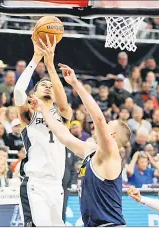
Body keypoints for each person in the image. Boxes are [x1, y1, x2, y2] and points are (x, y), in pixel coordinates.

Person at [29, 63, 131, 226]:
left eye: (109, 123)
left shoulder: (111, 153)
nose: (104, 124)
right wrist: (44, 110)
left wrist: (76, 84)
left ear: (112, 135)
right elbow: (64, 136)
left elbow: (98, 118)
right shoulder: (92, 151)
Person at [13, 35, 72, 226]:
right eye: (42, 85)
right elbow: (18, 92)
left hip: (57, 185)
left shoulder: (62, 114)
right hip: (36, 184)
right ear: (34, 93)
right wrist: (35, 59)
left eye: (50, 86)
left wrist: (50, 65)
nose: (47, 87)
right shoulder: (28, 114)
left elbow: (63, 101)